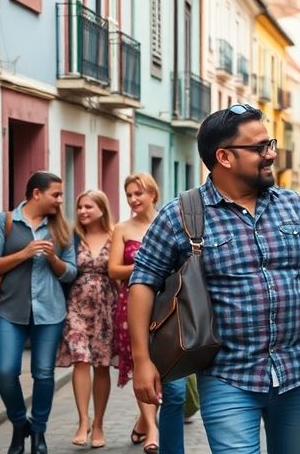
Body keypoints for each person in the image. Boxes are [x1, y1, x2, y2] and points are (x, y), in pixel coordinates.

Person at [127, 104, 300, 454]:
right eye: (259, 148)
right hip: (227, 375)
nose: (270, 155)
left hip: (298, 370)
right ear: (224, 156)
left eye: (270, 145)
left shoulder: (293, 205)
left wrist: (285, 320)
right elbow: (143, 281)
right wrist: (142, 359)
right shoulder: (181, 214)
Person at [0, 171, 77, 454]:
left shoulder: (62, 228)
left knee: (43, 374)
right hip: (10, 309)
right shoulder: (6, 221)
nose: (61, 200)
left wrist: (53, 259)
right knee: (6, 372)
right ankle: (19, 423)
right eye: (56, 194)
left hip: (50, 311)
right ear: (37, 193)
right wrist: (24, 253)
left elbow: (71, 272)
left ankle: (38, 433)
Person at [109, 173, 184, 454]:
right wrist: (148, 267)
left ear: (153, 194)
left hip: (169, 311)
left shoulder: (169, 224)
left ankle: (145, 422)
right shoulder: (122, 228)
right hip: (133, 308)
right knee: (142, 371)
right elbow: (113, 270)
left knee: (173, 390)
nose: (133, 200)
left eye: (138, 193)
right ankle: (152, 428)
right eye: (129, 195)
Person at [56, 190, 118, 448]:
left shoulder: (115, 236)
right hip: (77, 306)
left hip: (107, 307)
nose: (82, 211)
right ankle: (83, 420)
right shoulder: (71, 238)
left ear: (102, 209)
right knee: (81, 360)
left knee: (101, 365)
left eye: (88, 207)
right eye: (80, 207)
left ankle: (99, 424)